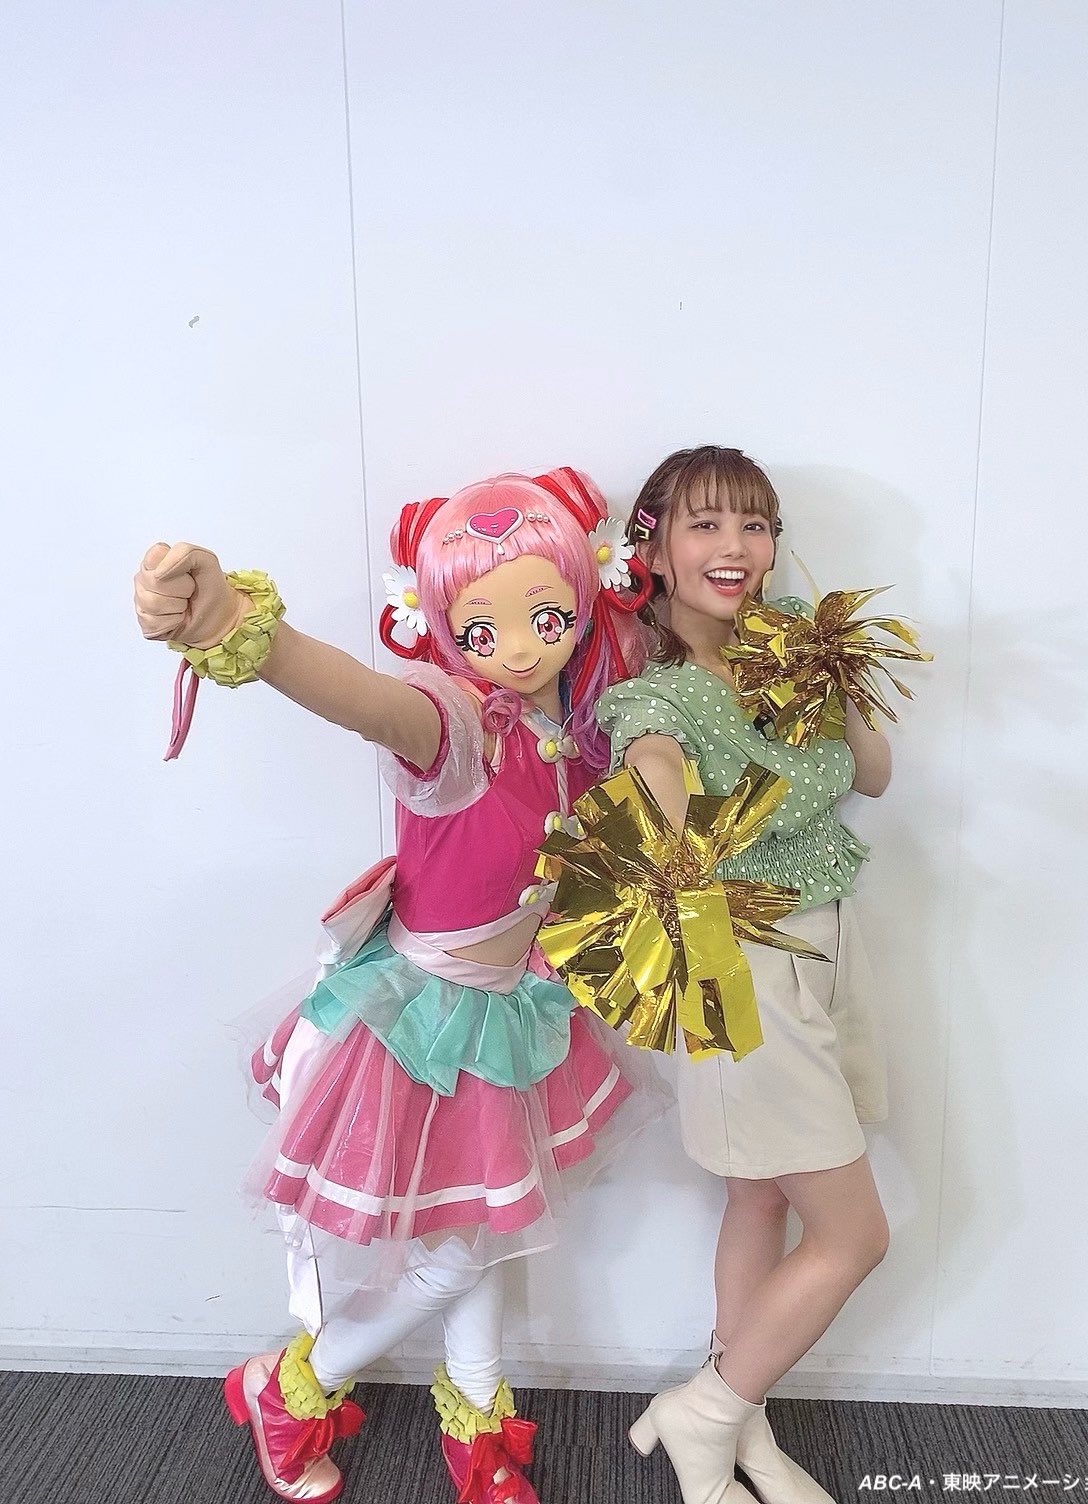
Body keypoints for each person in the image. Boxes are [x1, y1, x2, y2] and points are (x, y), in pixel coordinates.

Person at [132, 467, 660, 1504]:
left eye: (547, 614)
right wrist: (237, 625)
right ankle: (290, 1387)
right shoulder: (455, 724)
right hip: (421, 1025)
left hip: (510, 1009)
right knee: (460, 1253)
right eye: (481, 628)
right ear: (443, 628)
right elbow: (365, 697)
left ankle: (477, 1426)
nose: (519, 647)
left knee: (488, 1232)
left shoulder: (576, 721)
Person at [596, 445, 893, 1504]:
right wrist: (662, 817)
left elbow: (873, 774)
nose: (735, 547)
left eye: (755, 524)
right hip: (744, 967)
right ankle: (706, 1411)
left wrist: (831, 668)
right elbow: (653, 764)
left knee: (760, 1198)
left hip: (826, 946)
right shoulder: (657, 696)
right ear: (655, 551)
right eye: (706, 524)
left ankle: (735, 1436)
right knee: (855, 1234)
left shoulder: (791, 651)